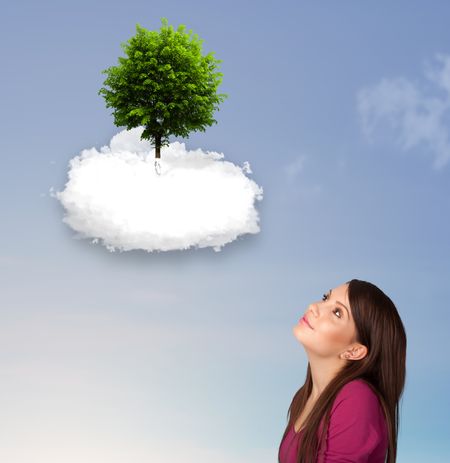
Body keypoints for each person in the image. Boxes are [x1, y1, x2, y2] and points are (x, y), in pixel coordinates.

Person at [278, 279, 407, 463]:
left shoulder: (357, 398)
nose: (314, 306)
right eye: (325, 298)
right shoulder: (304, 397)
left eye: (337, 312)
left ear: (353, 351)